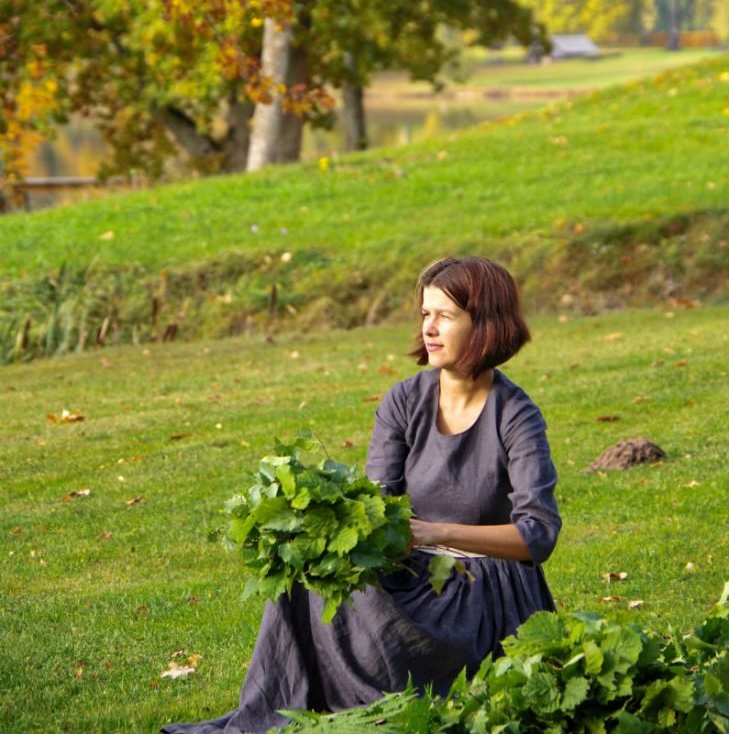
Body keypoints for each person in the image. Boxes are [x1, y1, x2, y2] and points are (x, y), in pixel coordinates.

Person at [162, 256, 561, 734]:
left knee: (381, 627)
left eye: (446, 317)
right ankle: (306, 706)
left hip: (478, 587)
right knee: (306, 575)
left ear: (486, 327)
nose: (429, 329)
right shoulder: (404, 401)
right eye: (425, 314)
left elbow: (538, 536)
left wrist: (435, 531)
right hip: (411, 564)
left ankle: (383, 703)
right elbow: (375, 503)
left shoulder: (515, 415)